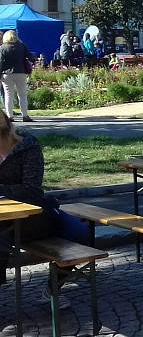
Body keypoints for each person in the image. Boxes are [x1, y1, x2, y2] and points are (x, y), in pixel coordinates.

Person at [0, 110, 88, 307]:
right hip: (4, 219)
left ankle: (52, 288)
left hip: (32, 215)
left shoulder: (27, 145)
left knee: (80, 233)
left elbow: (31, 190)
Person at [0, 31, 35, 122]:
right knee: (22, 95)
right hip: (21, 72)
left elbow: (0, 62)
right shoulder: (22, 46)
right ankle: (25, 115)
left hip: (6, 74)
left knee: (8, 95)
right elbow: (31, 57)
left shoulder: (2, 48)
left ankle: (10, 116)